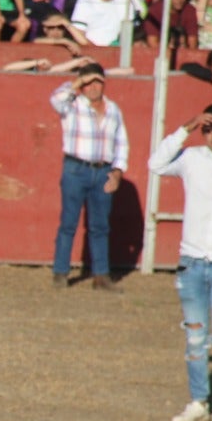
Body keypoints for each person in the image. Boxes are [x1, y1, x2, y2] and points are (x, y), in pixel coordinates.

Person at [149, 105, 212, 421]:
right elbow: (156, 164)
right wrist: (185, 127)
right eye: (209, 128)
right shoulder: (191, 159)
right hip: (191, 262)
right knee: (195, 336)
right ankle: (199, 401)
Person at [50, 62, 127, 290]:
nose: (93, 87)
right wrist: (77, 83)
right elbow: (55, 100)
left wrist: (118, 171)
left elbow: (121, 142)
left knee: (100, 226)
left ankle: (101, 276)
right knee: (68, 223)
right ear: (82, 84)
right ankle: (61, 273)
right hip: (76, 168)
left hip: (103, 170)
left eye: (97, 82)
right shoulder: (72, 104)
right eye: (88, 82)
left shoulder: (113, 109)